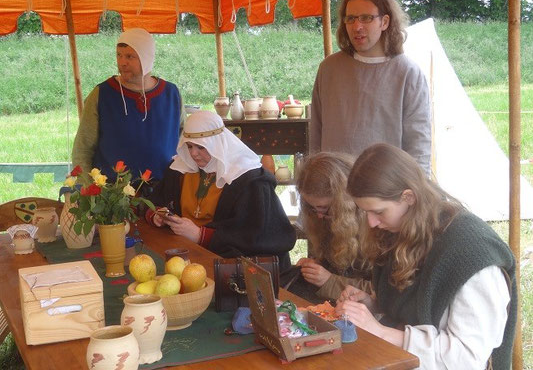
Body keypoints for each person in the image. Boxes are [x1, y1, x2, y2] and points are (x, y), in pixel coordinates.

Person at [336, 143, 516, 369]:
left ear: (409, 197)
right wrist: (372, 306)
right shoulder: (402, 232)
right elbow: (417, 311)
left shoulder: (472, 254)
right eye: (366, 212)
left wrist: (381, 332)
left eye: (379, 212)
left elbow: (467, 359)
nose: (371, 222)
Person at [145, 110, 296, 272]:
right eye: (189, 146)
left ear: (216, 144)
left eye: (201, 147)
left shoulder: (249, 179)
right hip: (185, 255)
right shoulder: (179, 170)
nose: (193, 154)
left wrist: (200, 235)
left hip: (229, 264)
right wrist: (158, 215)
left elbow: (255, 234)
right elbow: (154, 202)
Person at [310, 0, 431, 175]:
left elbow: (419, 146)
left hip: (384, 192)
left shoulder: (408, 73)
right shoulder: (329, 69)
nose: (357, 26)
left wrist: (418, 193)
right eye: (350, 19)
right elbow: (315, 133)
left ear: (384, 22)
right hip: (334, 188)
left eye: (366, 18)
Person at [72, 28, 184, 184]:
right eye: (119, 55)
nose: (122, 62)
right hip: (113, 198)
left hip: (164, 192)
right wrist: (88, 190)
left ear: (146, 58)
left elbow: (185, 139)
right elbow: (83, 148)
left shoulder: (171, 94)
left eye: (130, 56)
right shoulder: (102, 94)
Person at [286, 152, 372, 303]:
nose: (319, 216)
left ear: (346, 202)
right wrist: (316, 266)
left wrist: (329, 281)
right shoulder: (326, 220)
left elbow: (383, 295)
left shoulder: (376, 227)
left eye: (325, 208)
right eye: (312, 208)